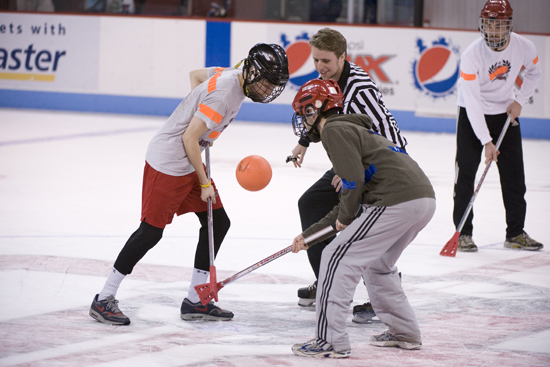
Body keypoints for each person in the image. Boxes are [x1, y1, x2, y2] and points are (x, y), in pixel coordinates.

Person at [89, 43, 289, 325]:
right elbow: (187, 138)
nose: (269, 91)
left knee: (218, 222)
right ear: (253, 71)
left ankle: (196, 299)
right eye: (267, 83)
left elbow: (196, 76)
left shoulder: (231, 74)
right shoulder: (223, 95)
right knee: (150, 233)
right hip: (169, 162)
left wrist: (196, 105)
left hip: (188, 159)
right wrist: (204, 180)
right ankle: (104, 298)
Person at [289, 79, 435, 358]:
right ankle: (404, 332)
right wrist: (311, 235)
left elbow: (352, 183)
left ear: (314, 110)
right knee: (379, 265)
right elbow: (349, 197)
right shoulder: (351, 129)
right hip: (422, 200)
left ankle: (330, 340)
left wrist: (343, 218)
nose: (302, 120)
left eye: (303, 112)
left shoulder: (333, 129)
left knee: (334, 256)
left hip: (395, 201)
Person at [288, 28, 407, 321]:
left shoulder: (360, 90)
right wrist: (304, 142)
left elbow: (387, 135)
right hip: (351, 159)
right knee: (311, 203)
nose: (320, 67)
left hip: (380, 162)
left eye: (326, 61)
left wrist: (358, 172)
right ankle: (326, 281)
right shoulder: (326, 81)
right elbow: (320, 114)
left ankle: (382, 296)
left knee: (359, 222)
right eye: (316, 60)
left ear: (343, 57)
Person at [454, 0, 543, 252]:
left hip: (505, 113)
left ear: (508, 25)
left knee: (515, 178)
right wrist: (487, 141)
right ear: (483, 25)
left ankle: (515, 233)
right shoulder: (471, 55)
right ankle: (463, 232)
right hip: (473, 116)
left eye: (499, 25)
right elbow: (472, 103)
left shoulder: (524, 46)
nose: (493, 30)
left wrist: (520, 102)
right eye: (490, 24)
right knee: (465, 177)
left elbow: (534, 73)